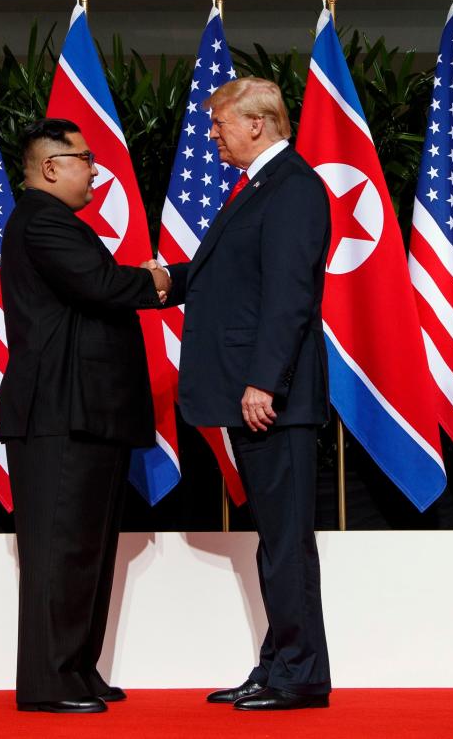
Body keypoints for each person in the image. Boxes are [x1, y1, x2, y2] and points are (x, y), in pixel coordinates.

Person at [157, 77, 333, 710]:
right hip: (251, 392)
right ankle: (280, 662)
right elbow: (226, 279)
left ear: (256, 124)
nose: (213, 136)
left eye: (219, 125)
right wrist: (166, 280)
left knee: (286, 540)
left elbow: (289, 297)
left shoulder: (293, 188)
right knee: (274, 538)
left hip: (273, 398)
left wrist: (264, 380)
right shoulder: (262, 186)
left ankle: (301, 675)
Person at [0, 118, 170, 714]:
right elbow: (100, 286)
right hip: (58, 411)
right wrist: (157, 280)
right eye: (84, 159)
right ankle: (49, 682)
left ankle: (76, 669)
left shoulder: (55, 222)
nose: (95, 169)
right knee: (61, 549)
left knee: (87, 550)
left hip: (84, 410)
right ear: (50, 166)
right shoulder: (42, 219)